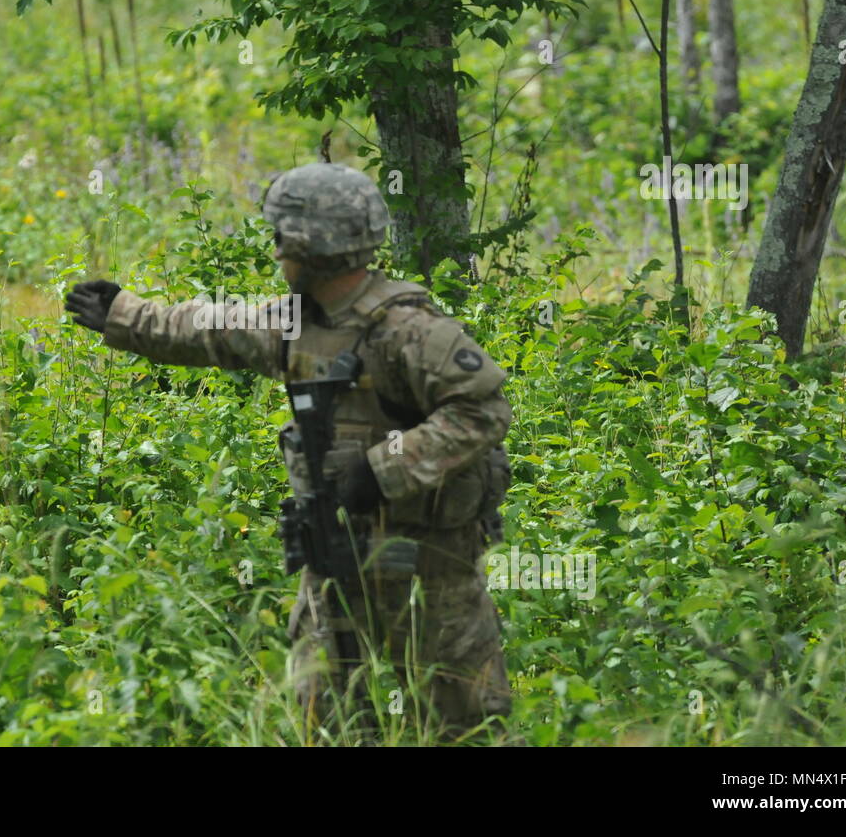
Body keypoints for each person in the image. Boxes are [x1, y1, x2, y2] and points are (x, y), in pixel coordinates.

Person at [65, 162, 514, 740]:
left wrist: (383, 468)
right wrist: (124, 313)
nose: (276, 250)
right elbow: (209, 329)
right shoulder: (299, 322)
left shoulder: (410, 330)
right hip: (336, 559)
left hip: (427, 569)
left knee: (461, 723)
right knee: (327, 718)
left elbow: (483, 409)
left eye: (282, 237)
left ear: (312, 243)